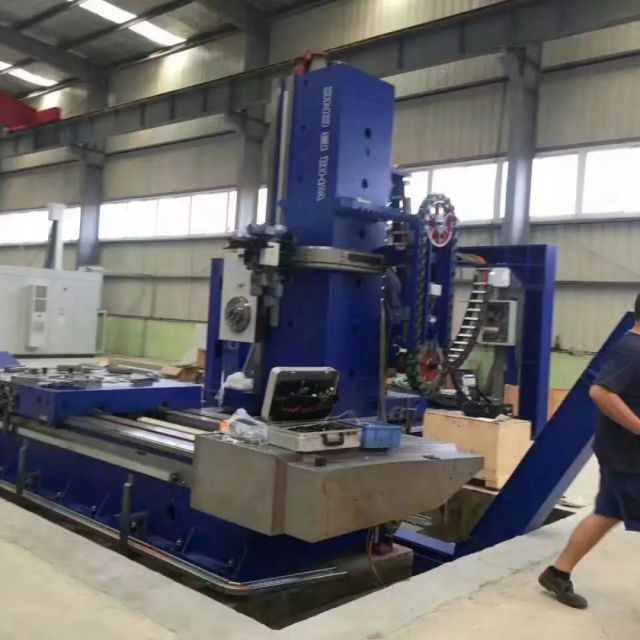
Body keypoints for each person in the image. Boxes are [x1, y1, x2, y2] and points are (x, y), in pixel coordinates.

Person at [538, 295, 640, 609]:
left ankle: (557, 573)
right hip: (628, 457)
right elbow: (601, 391)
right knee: (608, 512)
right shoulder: (632, 349)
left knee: (607, 513)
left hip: (624, 455)